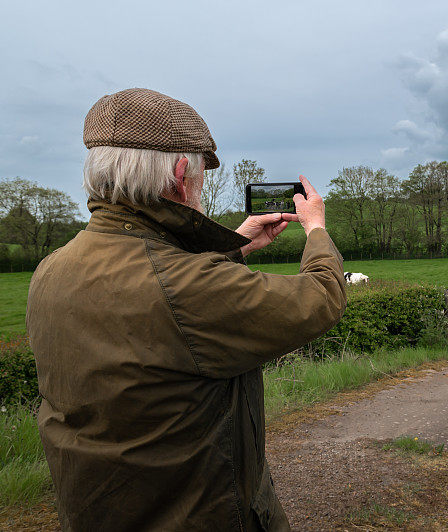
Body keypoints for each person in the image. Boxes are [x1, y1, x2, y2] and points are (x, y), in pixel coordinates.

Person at [26, 88, 347, 531]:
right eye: (200, 176)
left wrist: (237, 246)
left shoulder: (53, 268)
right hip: (197, 515)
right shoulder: (187, 287)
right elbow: (321, 297)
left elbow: (167, 305)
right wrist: (316, 229)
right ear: (181, 174)